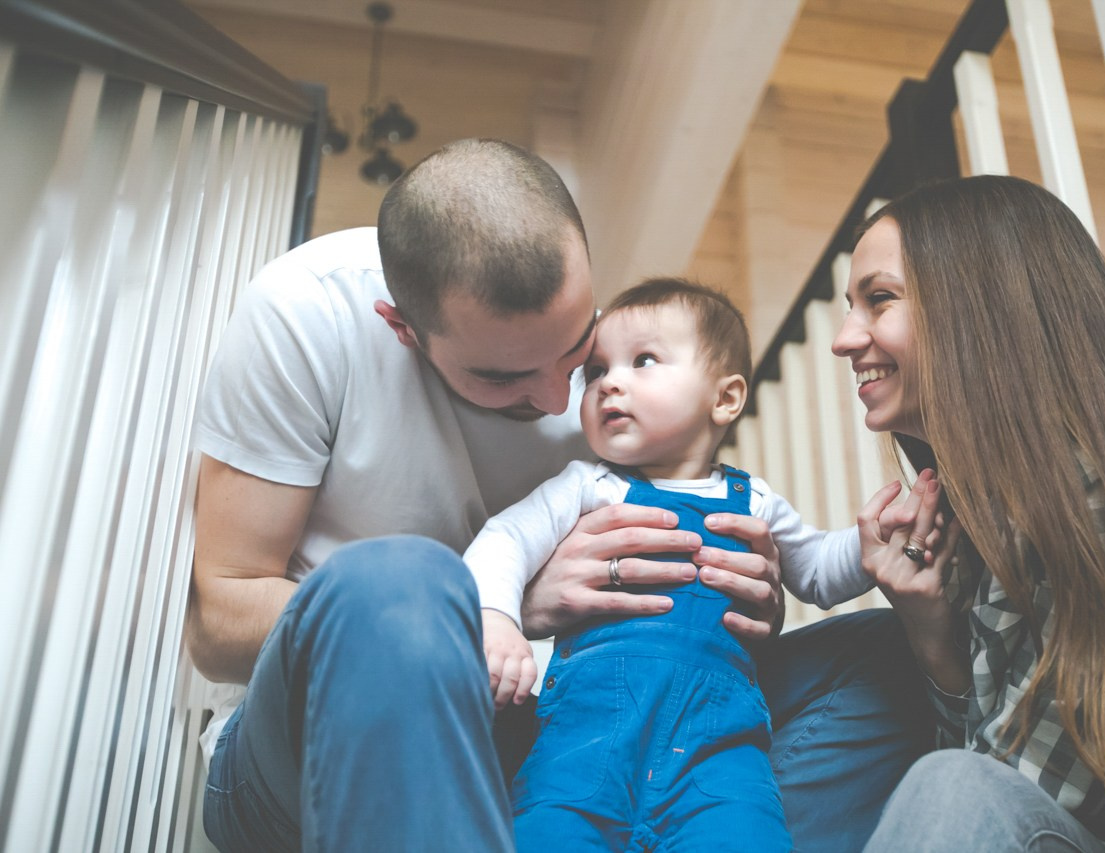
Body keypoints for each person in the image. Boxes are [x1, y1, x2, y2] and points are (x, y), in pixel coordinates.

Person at [186, 138, 930, 853]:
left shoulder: (619, 382)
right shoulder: (307, 316)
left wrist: (750, 597)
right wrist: (485, 611)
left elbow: (794, 568)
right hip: (330, 745)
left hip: (571, 725)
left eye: (578, 350)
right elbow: (218, 618)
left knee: (886, 650)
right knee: (401, 580)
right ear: (403, 329)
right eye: (502, 378)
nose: (556, 399)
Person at [829, 174, 1105, 851]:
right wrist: (931, 637)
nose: (843, 338)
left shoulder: (1093, 504)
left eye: (880, 299)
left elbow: (993, 792)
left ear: (977, 307)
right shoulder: (982, 518)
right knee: (859, 656)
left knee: (947, 782)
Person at [466, 279, 876, 851]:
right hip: (583, 740)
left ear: (725, 399)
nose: (610, 381)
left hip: (720, 750)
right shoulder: (590, 486)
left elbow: (819, 573)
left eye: (644, 361)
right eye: (597, 370)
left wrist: (873, 542)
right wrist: (495, 616)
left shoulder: (753, 499)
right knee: (550, 832)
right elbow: (505, 538)